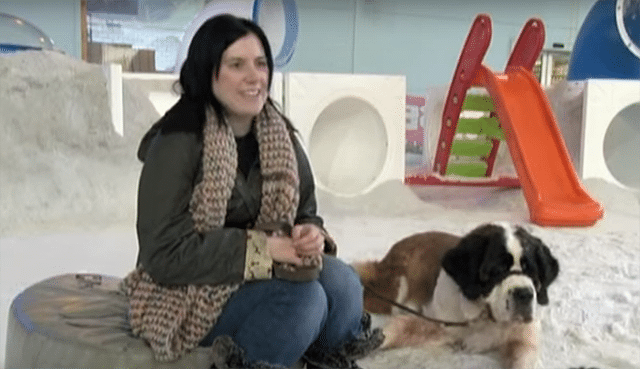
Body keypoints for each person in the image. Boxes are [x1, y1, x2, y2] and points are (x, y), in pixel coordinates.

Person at [122, 14, 383, 369]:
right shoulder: (177, 141)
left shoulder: (279, 136)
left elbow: (306, 211)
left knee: (343, 285)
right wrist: (262, 250)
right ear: (207, 70)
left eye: (261, 64)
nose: (253, 77)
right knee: (304, 300)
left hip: (262, 275)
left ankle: (313, 360)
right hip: (188, 291)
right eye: (236, 64)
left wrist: (309, 234)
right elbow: (163, 253)